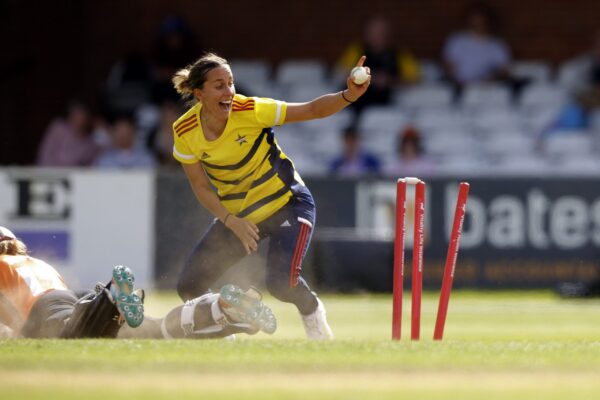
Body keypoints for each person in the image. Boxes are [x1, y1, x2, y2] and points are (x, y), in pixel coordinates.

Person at [170, 52, 371, 340]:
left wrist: (348, 95)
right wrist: (231, 220)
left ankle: (312, 311)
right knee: (190, 287)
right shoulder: (185, 130)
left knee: (281, 284)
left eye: (231, 83)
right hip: (241, 217)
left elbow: (311, 110)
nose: (229, 92)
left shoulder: (251, 110)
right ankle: (228, 327)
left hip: (288, 204)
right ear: (199, 93)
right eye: (219, 86)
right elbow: (201, 187)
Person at [0, 226, 276, 340]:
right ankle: (222, 309)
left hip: (50, 308)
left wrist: (17, 334)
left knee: (69, 335)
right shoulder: (36, 264)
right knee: (158, 331)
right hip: (71, 297)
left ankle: (110, 299)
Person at [336, 15, 419, 116]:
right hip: (356, 104)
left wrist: (389, 81)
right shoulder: (356, 50)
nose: (377, 36)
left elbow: (414, 81)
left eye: (381, 33)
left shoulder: (400, 55)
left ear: (388, 35)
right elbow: (343, 73)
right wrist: (370, 79)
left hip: (388, 103)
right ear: (367, 34)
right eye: (374, 33)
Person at [442, 2, 511, 89]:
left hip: (488, 91)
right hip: (459, 90)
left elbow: (504, 71)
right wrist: (458, 82)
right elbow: (447, 64)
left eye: (481, 19)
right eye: (475, 19)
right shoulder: (457, 40)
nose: (478, 22)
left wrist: (490, 79)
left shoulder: (496, 45)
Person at [37, 101, 99, 167]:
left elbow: (92, 164)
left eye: (82, 114)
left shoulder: (90, 142)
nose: (79, 118)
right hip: (50, 172)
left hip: (73, 175)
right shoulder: (58, 128)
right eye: (76, 114)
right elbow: (45, 154)